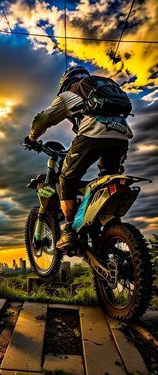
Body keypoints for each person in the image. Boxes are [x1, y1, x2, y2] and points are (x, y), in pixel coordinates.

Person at [24, 65, 133, 255]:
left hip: (92, 134)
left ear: (65, 82)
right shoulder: (98, 91)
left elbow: (43, 119)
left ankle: (70, 231)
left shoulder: (68, 94)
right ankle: (110, 228)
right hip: (122, 135)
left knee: (66, 178)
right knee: (106, 177)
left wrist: (32, 138)